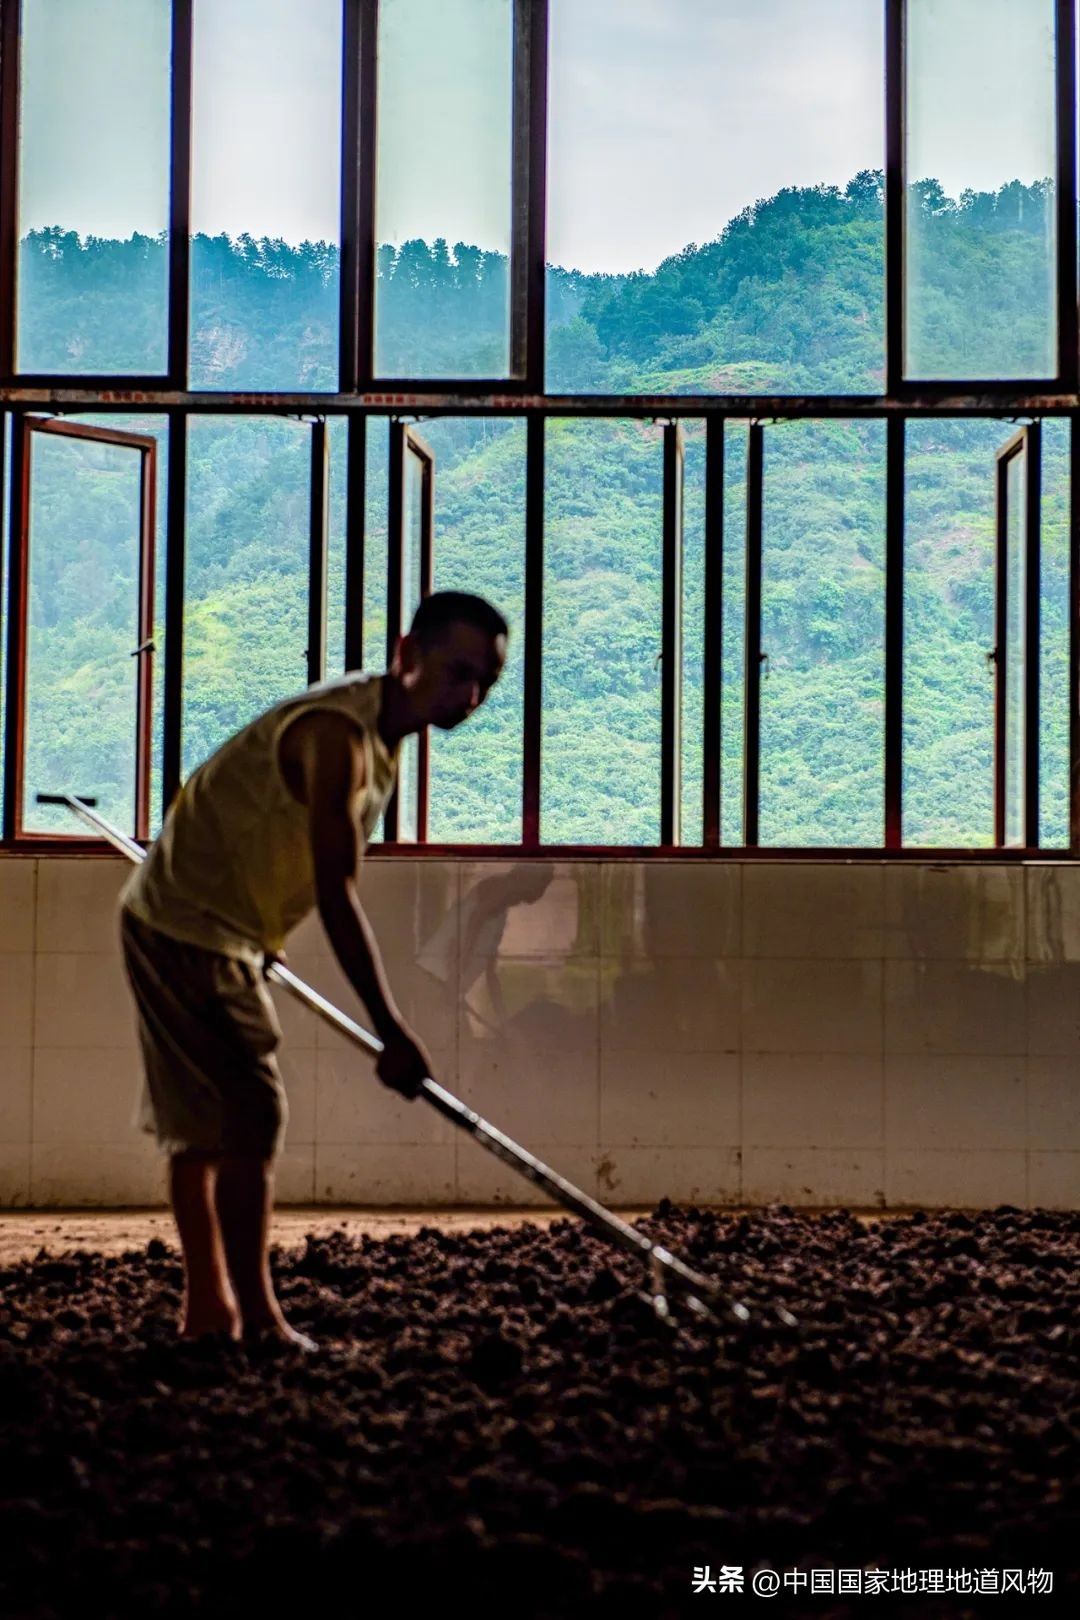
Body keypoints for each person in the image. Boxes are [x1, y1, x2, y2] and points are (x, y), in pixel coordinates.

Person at [118, 591, 508, 1346]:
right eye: (458, 671)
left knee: (208, 1127)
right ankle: (251, 1317)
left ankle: (212, 1315)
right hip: (181, 922)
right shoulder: (340, 736)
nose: (470, 696)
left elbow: (269, 833)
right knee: (247, 1114)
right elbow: (337, 894)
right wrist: (392, 1034)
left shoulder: (384, 735)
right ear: (406, 656)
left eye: (484, 682)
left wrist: (262, 931)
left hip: (219, 927)